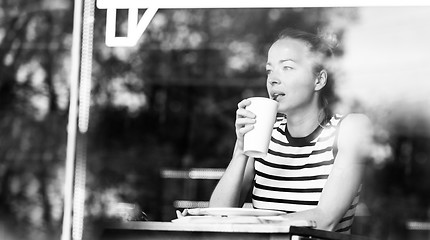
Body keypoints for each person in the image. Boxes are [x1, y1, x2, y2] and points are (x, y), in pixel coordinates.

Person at [208, 28, 373, 233]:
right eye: (269, 70)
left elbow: (324, 220)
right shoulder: (263, 134)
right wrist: (241, 150)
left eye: (287, 67)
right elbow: (216, 217)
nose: (273, 79)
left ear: (319, 80)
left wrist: (247, 225)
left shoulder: (350, 129)